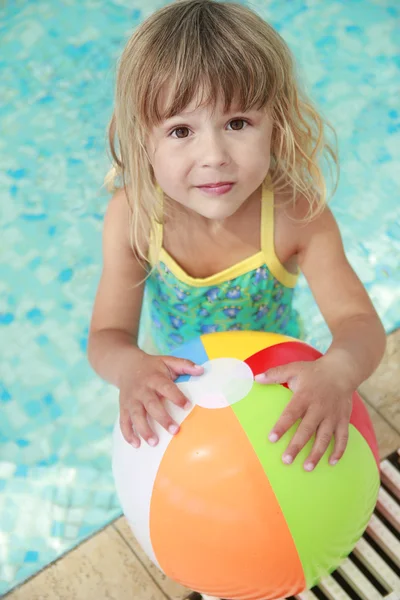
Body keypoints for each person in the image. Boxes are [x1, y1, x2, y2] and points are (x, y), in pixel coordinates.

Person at [87, 0, 385, 477]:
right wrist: (131, 370)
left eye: (238, 123)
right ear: (144, 139)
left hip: (275, 382)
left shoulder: (295, 214)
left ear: (276, 122)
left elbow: (358, 323)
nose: (214, 156)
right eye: (181, 130)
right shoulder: (135, 217)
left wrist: (336, 373)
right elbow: (107, 336)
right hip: (183, 387)